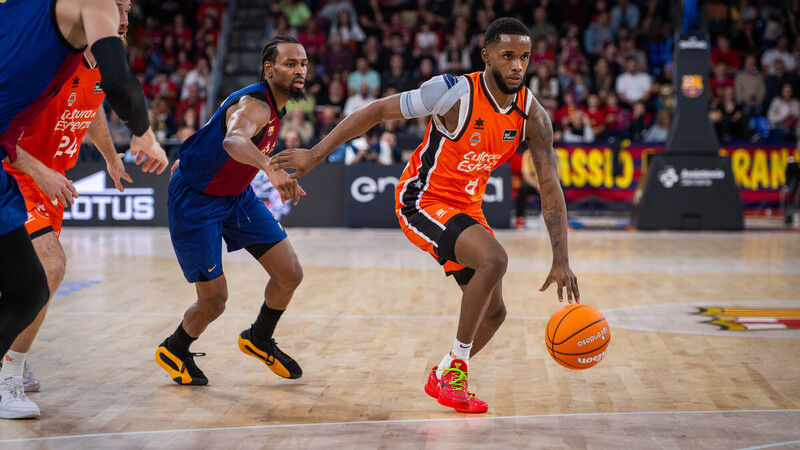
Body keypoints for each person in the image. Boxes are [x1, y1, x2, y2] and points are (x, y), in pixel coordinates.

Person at [271, 18, 579, 413]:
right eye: (507, 56)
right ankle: (455, 376)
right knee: (495, 260)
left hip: (466, 207)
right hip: (422, 199)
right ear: (486, 57)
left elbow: (550, 187)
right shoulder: (452, 93)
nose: (517, 66)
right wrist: (315, 153)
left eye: (524, 57)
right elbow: (378, 111)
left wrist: (562, 258)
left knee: (495, 314)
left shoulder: (533, 116)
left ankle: (447, 370)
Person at [0, 0, 166, 388]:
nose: (123, 20)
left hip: (50, 182)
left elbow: (91, 111)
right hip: (21, 174)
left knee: (32, 284)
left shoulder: (91, 67)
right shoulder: (55, 55)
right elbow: (7, 131)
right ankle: (10, 372)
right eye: (117, 9)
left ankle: (14, 363)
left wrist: (110, 157)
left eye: (128, 11)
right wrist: (40, 171)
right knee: (48, 268)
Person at [155, 36, 307, 387]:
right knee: (214, 302)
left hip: (237, 196)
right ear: (269, 69)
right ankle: (175, 348)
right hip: (196, 201)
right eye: (290, 64)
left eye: (302, 64)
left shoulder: (276, 104)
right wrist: (271, 168)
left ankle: (259, 337)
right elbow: (233, 140)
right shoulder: (256, 104)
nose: (299, 70)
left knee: (290, 273)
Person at [515, 148, 540, 229]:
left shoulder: (556, 153)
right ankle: (520, 218)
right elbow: (526, 176)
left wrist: (545, 185)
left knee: (560, 188)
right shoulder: (527, 154)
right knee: (522, 188)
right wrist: (537, 185)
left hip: (548, 183)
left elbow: (557, 175)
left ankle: (563, 217)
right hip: (534, 184)